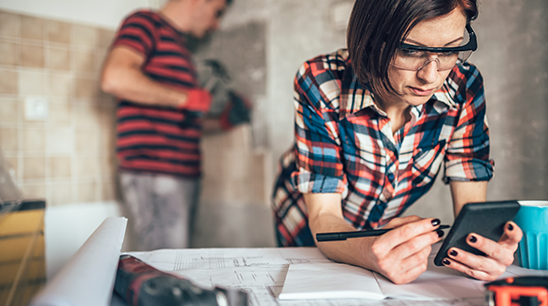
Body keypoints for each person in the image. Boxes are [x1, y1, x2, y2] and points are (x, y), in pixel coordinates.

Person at [272, 0, 523, 284]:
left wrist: (481, 250)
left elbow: (471, 217)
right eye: (410, 50)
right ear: (370, 38)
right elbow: (324, 216)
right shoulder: (321, 81)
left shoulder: (464, 86)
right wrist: (369, 250)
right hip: (307, 224)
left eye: (450, 50)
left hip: (377, 233)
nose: (430, 75)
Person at [100, 0, 249, 251]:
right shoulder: (145, 23)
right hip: (155, 170)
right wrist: (185, 97)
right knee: (166, 266)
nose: (216, 24)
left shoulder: (180, 48)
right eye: (217, 12)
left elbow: (181, 119)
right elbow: (114, 77)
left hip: (179, 174)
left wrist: (223, 122)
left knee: (175, 260)